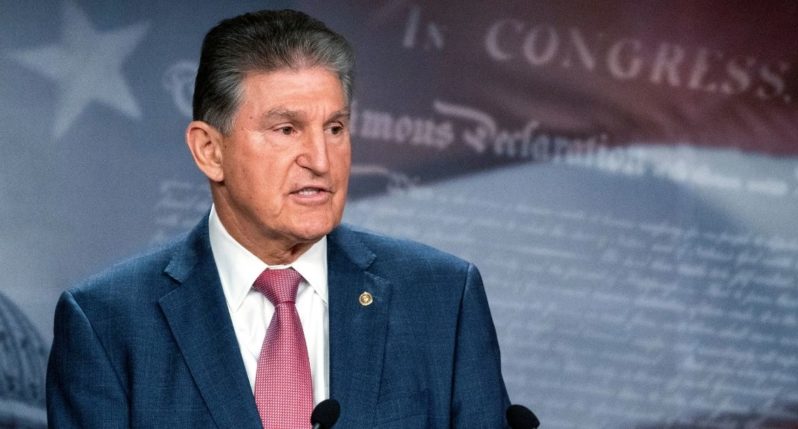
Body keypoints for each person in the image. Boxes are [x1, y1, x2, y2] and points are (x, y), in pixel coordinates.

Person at [46, 9, 509, 429]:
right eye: (286, 130)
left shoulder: (442, 298)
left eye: (335, 128)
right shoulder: (108, 324)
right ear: (210, 151)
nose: (322, 161)